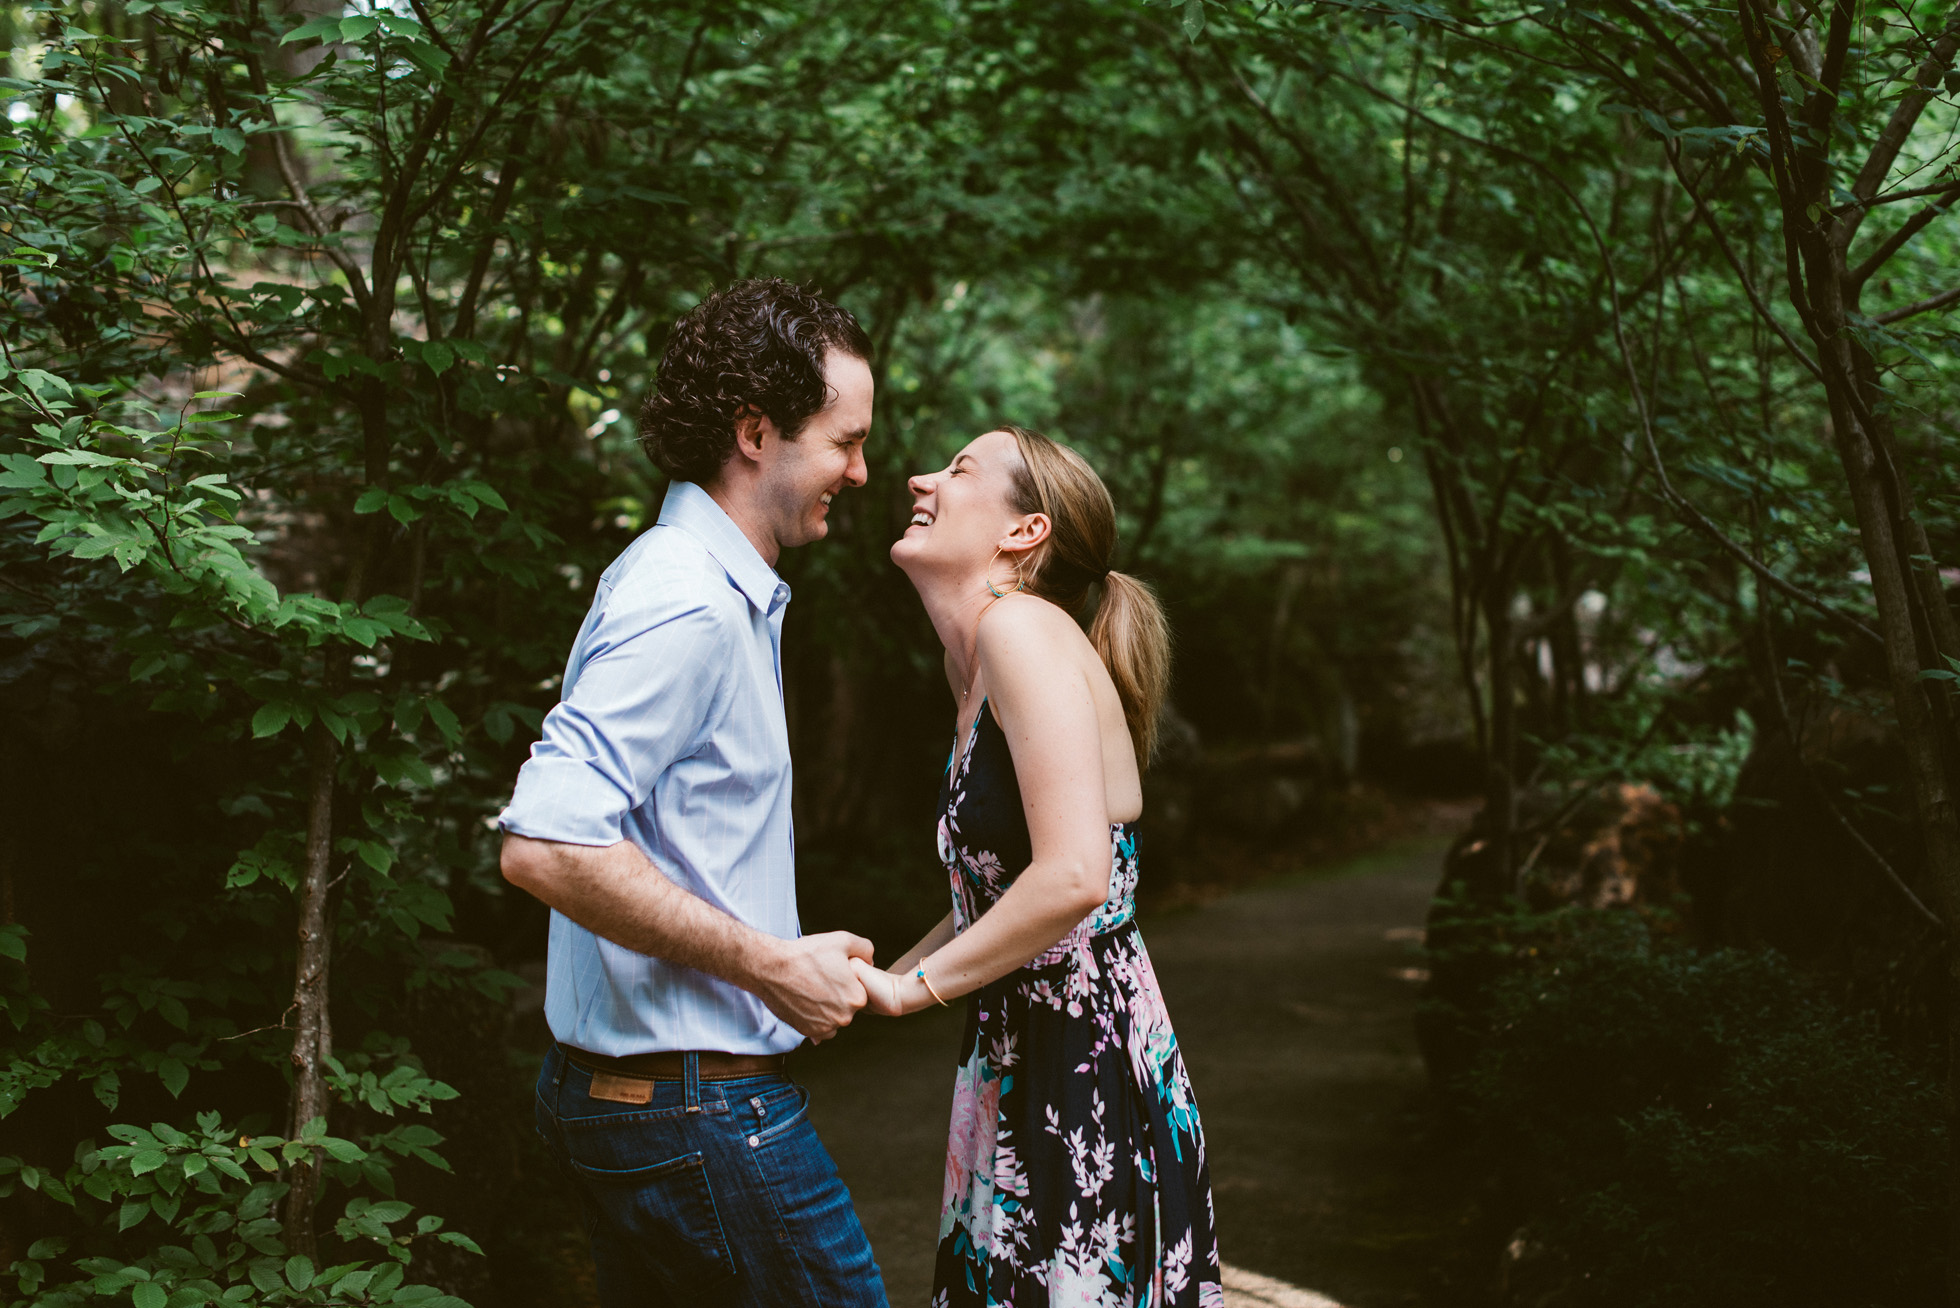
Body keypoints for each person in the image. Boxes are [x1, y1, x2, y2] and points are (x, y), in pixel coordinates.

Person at [499, 278, 888, 1308]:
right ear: (756, 432)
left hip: (656, 1100)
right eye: (844, 442)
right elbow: (546, 843)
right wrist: (771, 965)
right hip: (690, 1106)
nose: (861, 470)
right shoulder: (687, 599)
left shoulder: (707, 589)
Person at [856, 426, 1224, 1307]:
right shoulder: (975, 660)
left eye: (958, 470)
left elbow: (1072, 880)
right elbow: (998, 896)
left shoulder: (1021, 629)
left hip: (1081, 1066)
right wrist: (873, 982)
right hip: (1020, 1056)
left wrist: (916, 992)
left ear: (1025, 533)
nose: (920, 477)